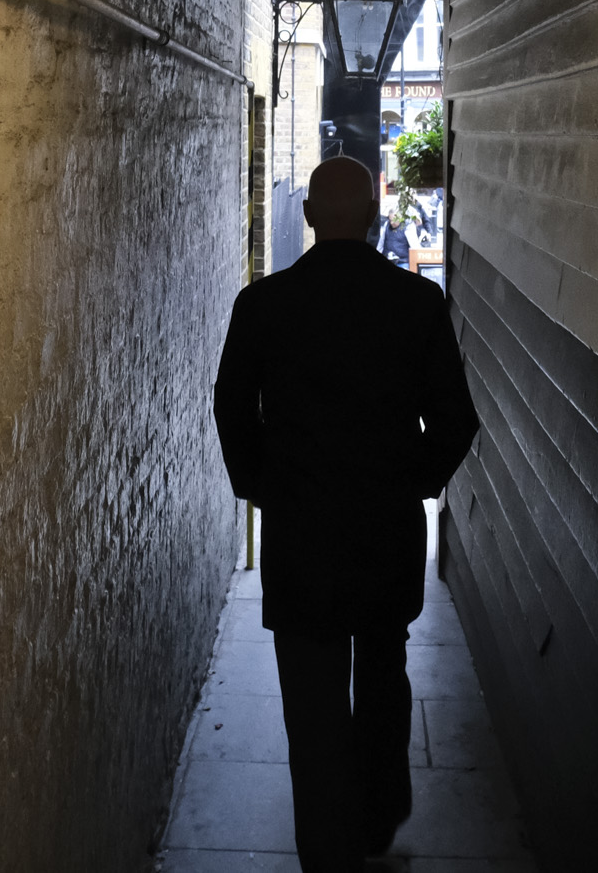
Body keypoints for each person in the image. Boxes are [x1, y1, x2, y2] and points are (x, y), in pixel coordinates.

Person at [213, 157, 481, 871]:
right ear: (372, 214)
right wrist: (412, 481)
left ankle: (327, 848)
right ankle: (378, 813)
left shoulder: (264, 306)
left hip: (301, 534)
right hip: (384, 532)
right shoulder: (417, 304)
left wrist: (261, 485)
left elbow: (231, 407)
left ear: (306, 216)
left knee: (313, 700)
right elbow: (456, 421)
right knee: (383, 675)